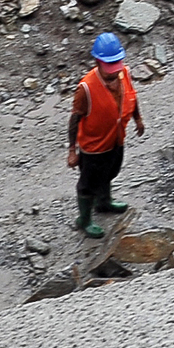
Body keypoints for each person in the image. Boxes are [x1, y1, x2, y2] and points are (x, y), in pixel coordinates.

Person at [68, 32, 145, 238]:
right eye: (109, 67)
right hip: (94, 147)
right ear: (98, 62)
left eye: (116, 65)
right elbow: (75, 119)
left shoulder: (124, 74)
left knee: (110, 172)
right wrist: (72, 151)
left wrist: (138, 119)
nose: (113, 72)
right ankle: (84, 219)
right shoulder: (85, 88)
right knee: (88, 184)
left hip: (116, 139)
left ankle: (104, 202)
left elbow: (132, 97)